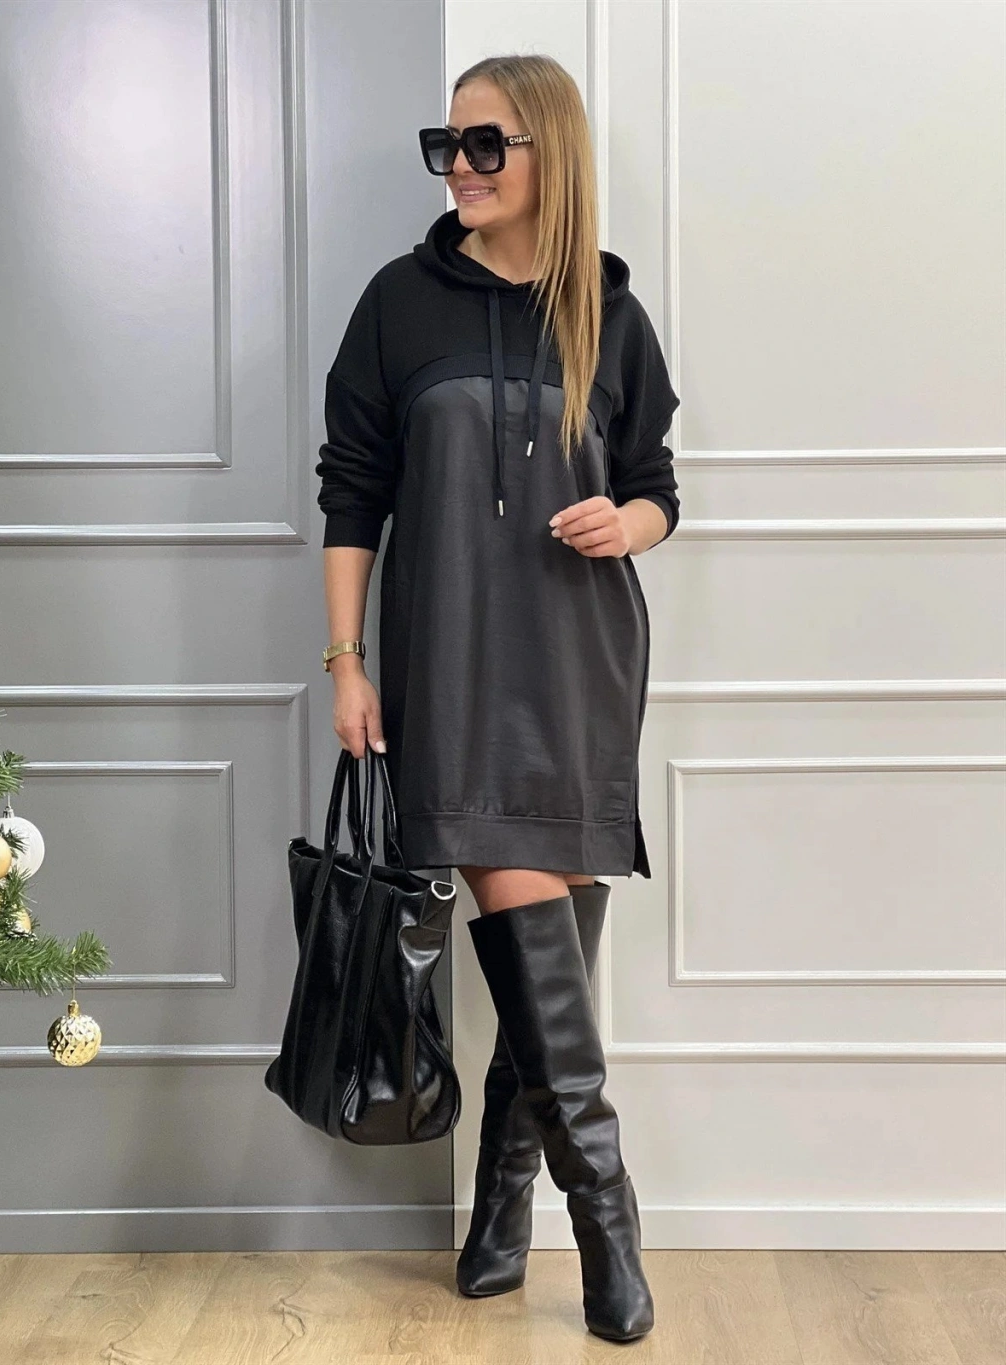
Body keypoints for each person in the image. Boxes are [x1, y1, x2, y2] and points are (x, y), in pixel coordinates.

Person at [316, 53, 679, 1345]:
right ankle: (610, 1229)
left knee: (547, 973)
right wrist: (346, 660)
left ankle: (500, 1213)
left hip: (581, 668)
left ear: (547, 156)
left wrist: (623, 523)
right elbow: (351, 490)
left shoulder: (611, 314)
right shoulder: (399, 303)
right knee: (537, 943)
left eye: (484, 146)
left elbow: (658, 487)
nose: (459, 169)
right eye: (447, 145)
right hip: (453, 669)